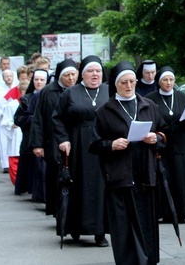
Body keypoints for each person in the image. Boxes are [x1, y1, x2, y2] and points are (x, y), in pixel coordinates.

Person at [89, 60, 165, 265]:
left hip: (145, 175)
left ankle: (149, 260)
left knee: (147, 222)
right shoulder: (104, 111)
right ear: (115, 84)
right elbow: (94, 145)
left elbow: (164, 135)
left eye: (132, 81)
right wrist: (111, 144)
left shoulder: (149, 105)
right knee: (123, 225)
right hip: (120, 176)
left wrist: (155, 139)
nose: (129, 86)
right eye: (124, 82)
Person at [52, 55, 109, 247]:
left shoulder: (109, 91)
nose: (95, 75)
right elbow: (57, 118)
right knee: (79, 186)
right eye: (90, 71)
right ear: (82, 75)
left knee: (102, 188)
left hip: (103, 145)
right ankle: (75, 227)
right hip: (78, 145)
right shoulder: (70, 93)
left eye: (98, 71)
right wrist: (63, 139)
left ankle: (100, 232)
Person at [146, 65, 185, 224]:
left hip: (180, 145)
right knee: (163, 178)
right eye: (165, 80)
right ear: (159, 82)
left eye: (171, 80)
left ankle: (182, 212)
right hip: (162, 145)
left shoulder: (182, 97)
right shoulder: (151, 99)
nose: (168, 83)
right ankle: (163, 212)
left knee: (181, 179)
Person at [30, 58, 78, 217]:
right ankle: (58, 211)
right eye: (67, 75)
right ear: (59, 76)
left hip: (76, 141)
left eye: (73, 75)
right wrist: (37, 144)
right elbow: (39, 118)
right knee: (55, 177)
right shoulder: (48, 91)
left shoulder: (80, 90)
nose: (71, 79)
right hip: (53, 141)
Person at [14, 69, 50, 201]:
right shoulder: (27, 98)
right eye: (36, 80)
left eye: (42, 80)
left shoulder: (51, 96)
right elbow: (18, 119)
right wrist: (33, 119)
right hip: (30, 137)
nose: (39, 82)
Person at [2, 80, 28, 184]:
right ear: (21, 92)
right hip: (16, 133)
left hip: (27, 134)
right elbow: (5, 121)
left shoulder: (33, 102)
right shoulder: (12, 105)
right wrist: (12, 125)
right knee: (15, 158)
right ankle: (17, 182)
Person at [0, 69, 16, 173]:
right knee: (3, 142)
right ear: (3, 78)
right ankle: (6, 164)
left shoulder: (17, 88)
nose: (9, 78)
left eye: (10, 76)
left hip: (15, 120)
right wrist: (1, 113)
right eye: (6, 76)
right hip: (4, 119)